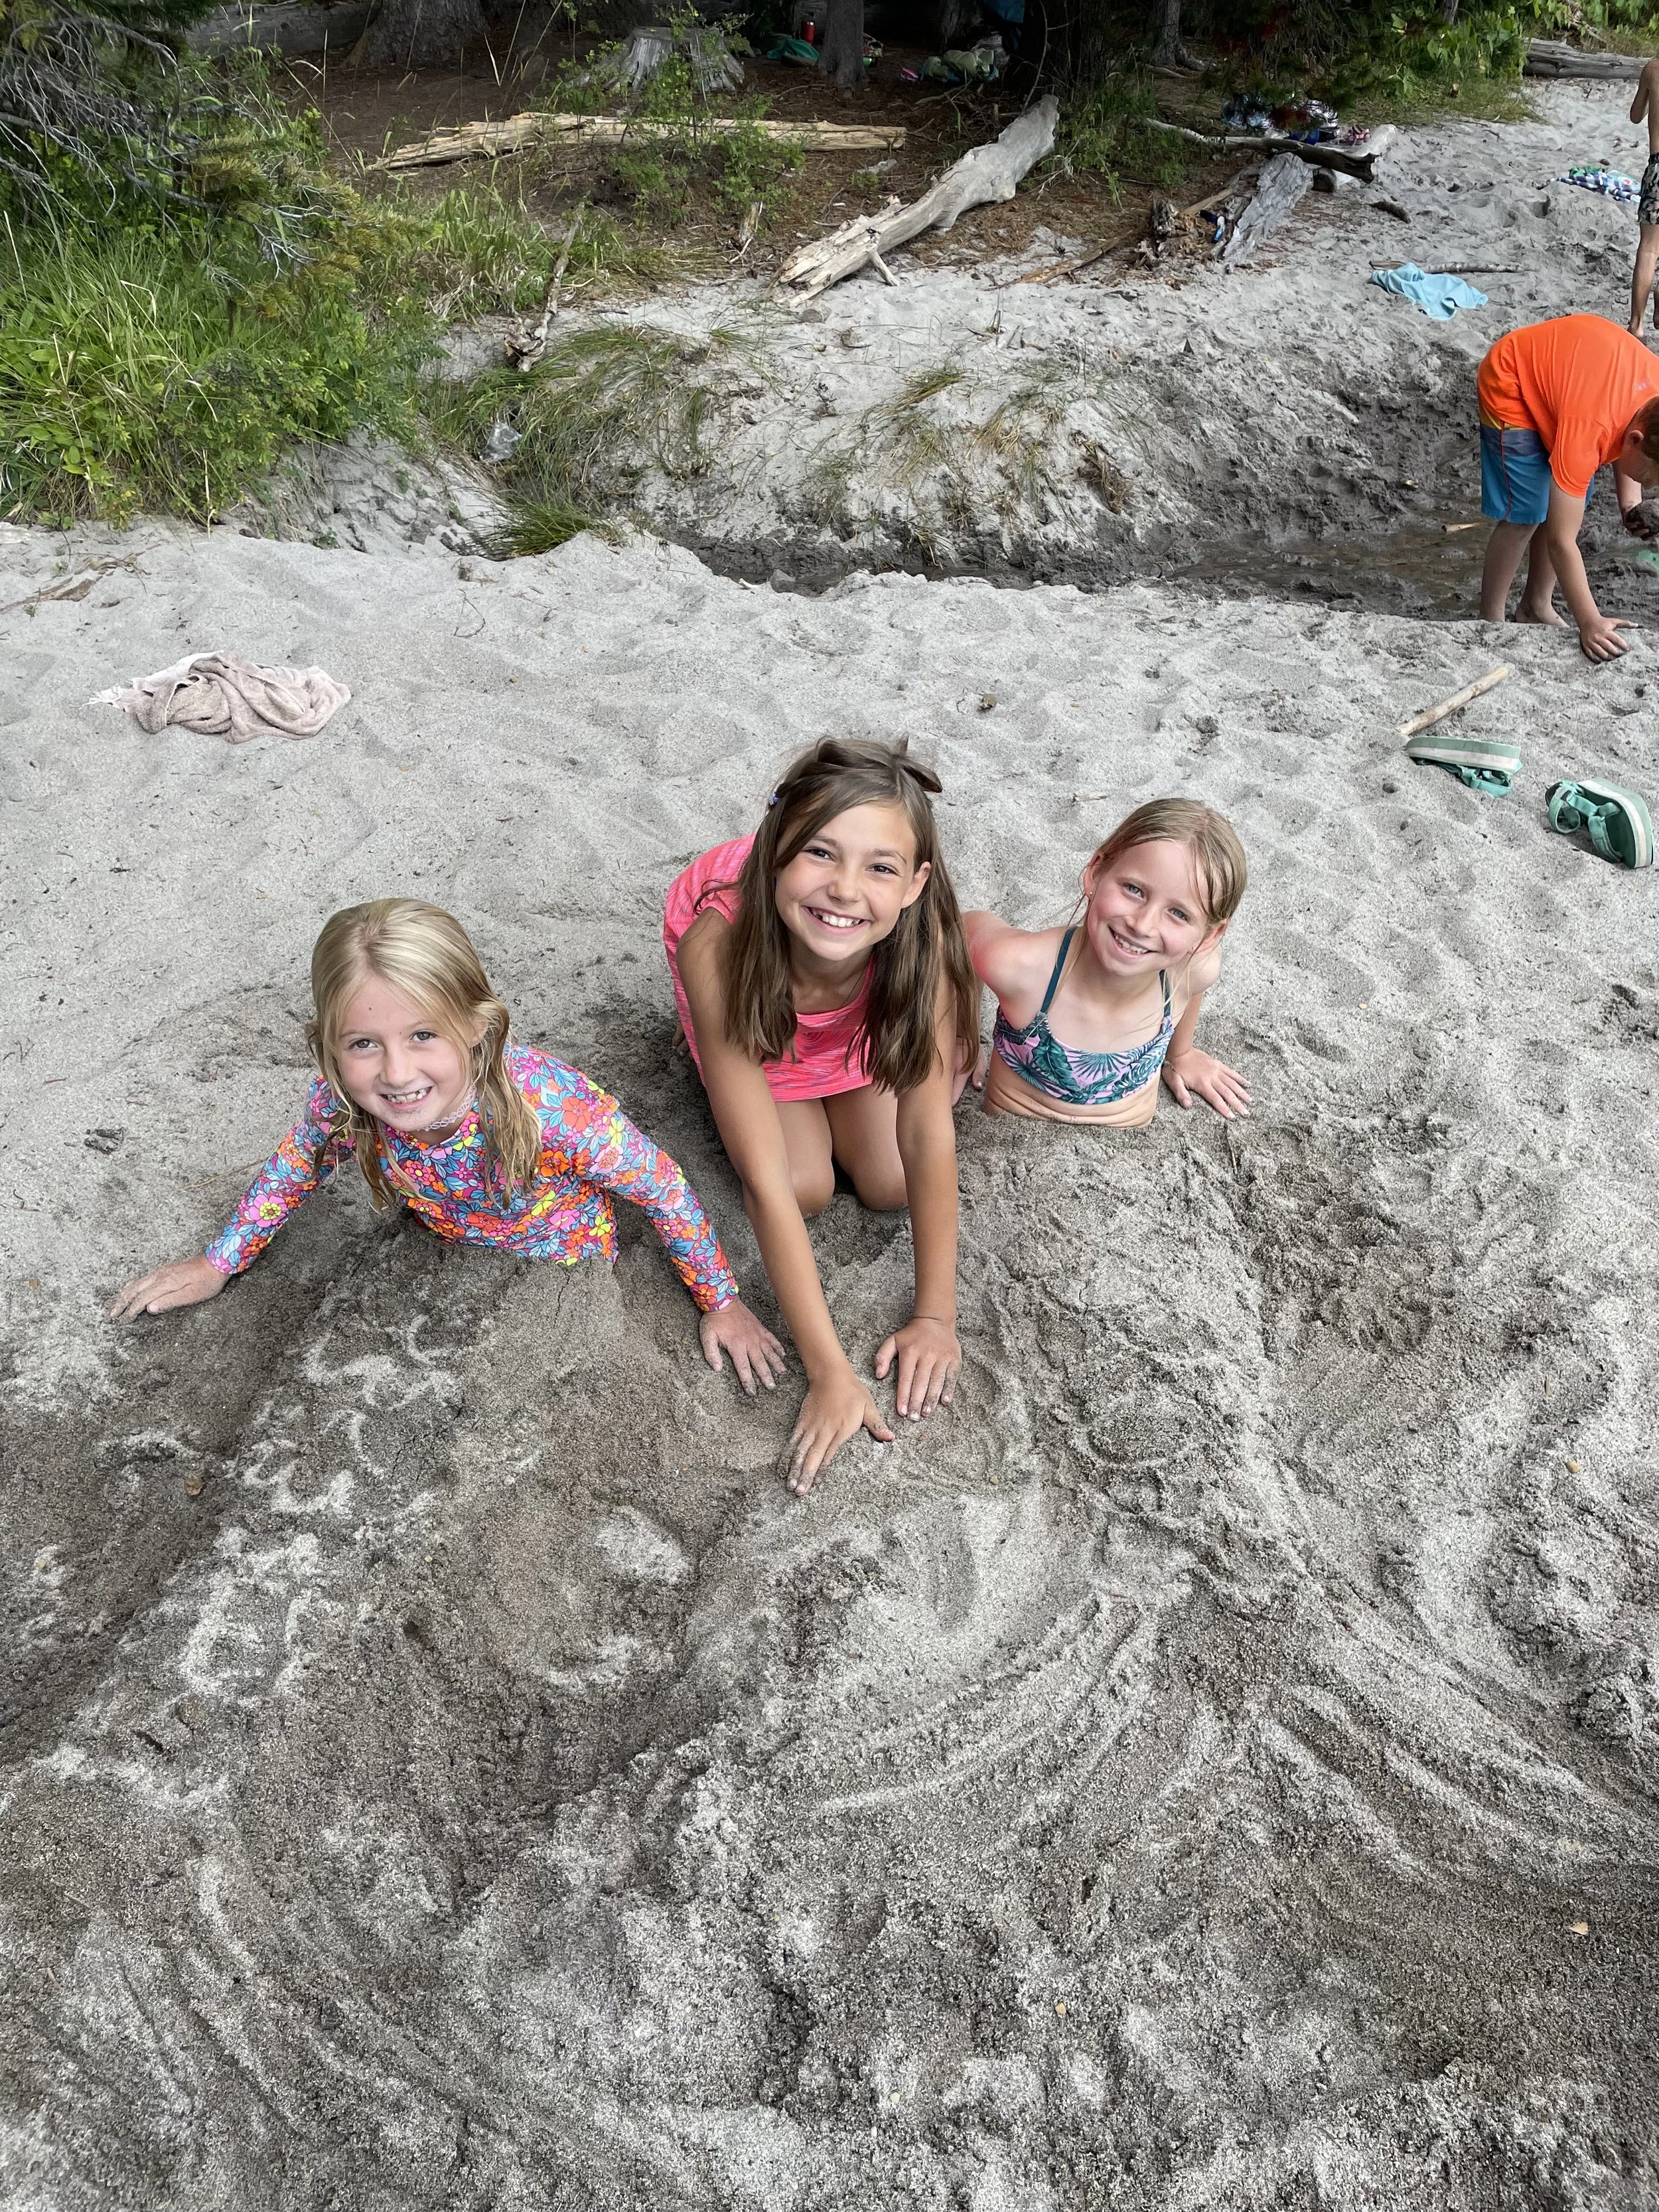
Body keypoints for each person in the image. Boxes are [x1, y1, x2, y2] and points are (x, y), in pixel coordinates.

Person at [110, 899, 785, 1394]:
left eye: (423, 1036)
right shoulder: (347, 1104)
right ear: (328, 1047)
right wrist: (220, 1260)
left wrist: (720, 1300)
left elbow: (662, 1187)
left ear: (476, 1028)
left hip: (561, 1271)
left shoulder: (554, 1113)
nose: (397, 1075)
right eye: (364, 1045)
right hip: (439, 1250)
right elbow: (297, 1167)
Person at [664, 738, 977, 1497]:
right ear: (774, 853)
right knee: (802, 1185)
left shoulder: (921, 934)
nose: (843, 888)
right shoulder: (720, 943)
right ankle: (813, 1080)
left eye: (879, 867)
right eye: (818, 854)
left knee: (889, 1181)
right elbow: (766, 1184)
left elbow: (928, 1130)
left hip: (852, 1022)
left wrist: (936, 1317)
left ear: (914, 884)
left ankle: (908, 1058)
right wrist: (831, 1373)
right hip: (760, 1014)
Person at [966, 798, 1248, 1129]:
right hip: (1011, 1136)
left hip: (1127, 1151)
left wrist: (1180, 1054)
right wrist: (962, 1037)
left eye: (1179, 914)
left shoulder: (1192, 971)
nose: (1142, 925)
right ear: (1096, 871)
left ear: (1209, 935)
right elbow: (964, 929)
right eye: (1134, 889)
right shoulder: (1023, 969)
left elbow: (1194, 983)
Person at [1477, 314, 1659, 660]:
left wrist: (1630, 503)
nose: (1651, 485)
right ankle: (1490, 620)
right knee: (1527, 513)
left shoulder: (1650, 409)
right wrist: (1590, 621)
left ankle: (1535, 606)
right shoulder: (1593, 428)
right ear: (1635, 442)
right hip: (1512, 378)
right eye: (1651, 478)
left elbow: (1632, 431)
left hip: (1572, 390)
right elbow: (1562, 542)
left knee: (1564, 504)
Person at [1630, 57, 1659, 336]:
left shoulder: (1653, 68)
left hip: (1658, 166)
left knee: (1649, 248)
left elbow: (1636, 115)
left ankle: (1637, 324)